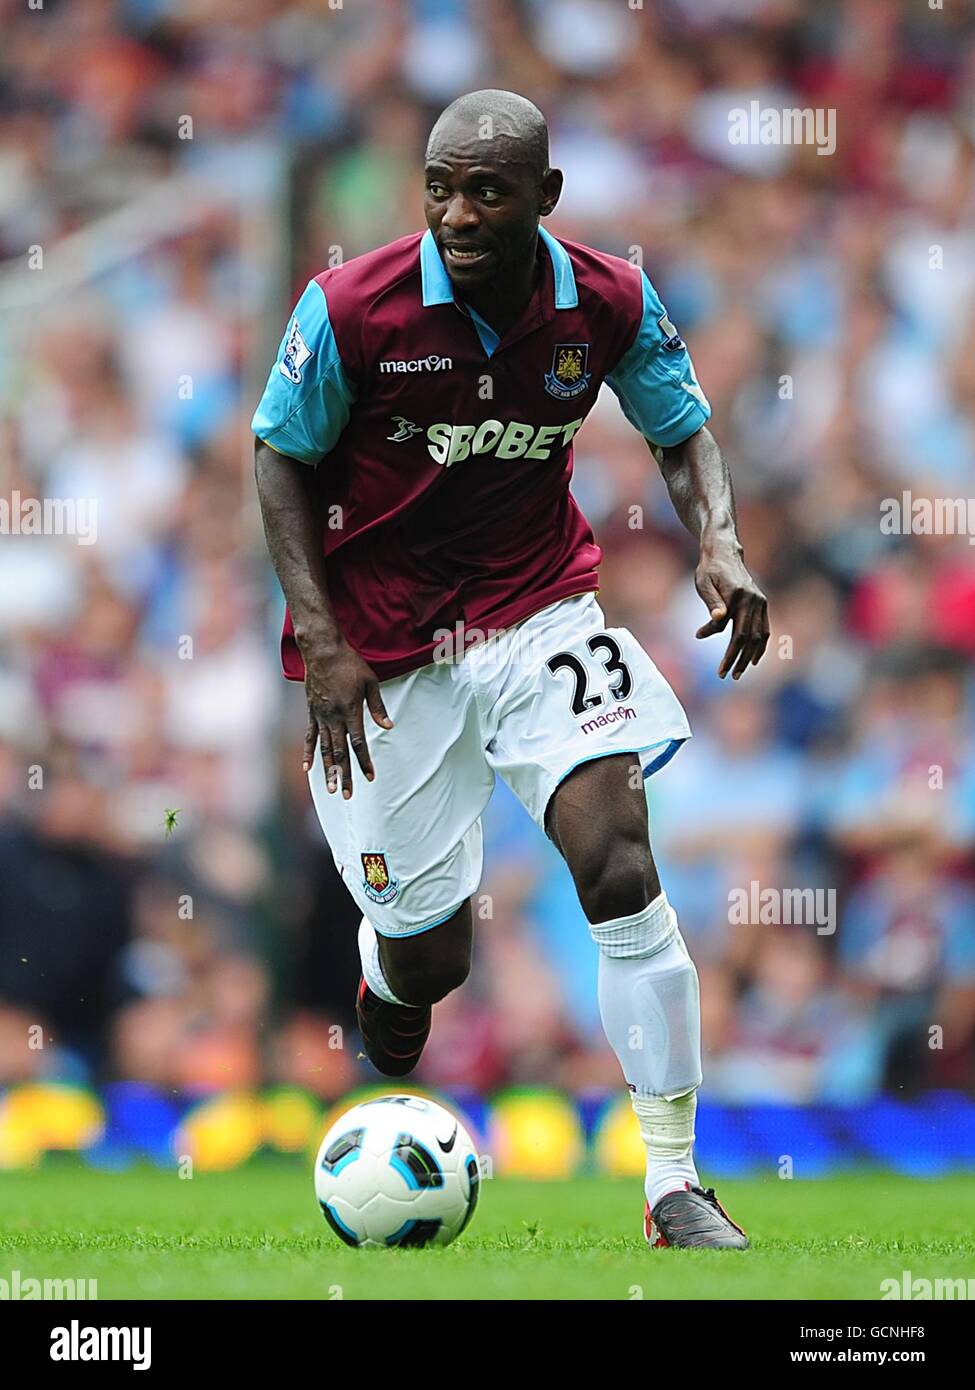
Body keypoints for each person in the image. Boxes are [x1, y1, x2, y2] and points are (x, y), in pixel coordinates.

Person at [252, 90, 769, 1249]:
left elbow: (680, 426)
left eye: (487, 190)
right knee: (430, 965)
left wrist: (721, 545)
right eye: (440, 187)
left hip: (535, 609)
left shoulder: (606, 299)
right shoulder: (352, 308)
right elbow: (278, 461)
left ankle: (674, 1182)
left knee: (618, 858)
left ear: (546, 198)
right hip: (384, 646)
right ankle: (390, 980)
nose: (458, 212)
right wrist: (322, 642)